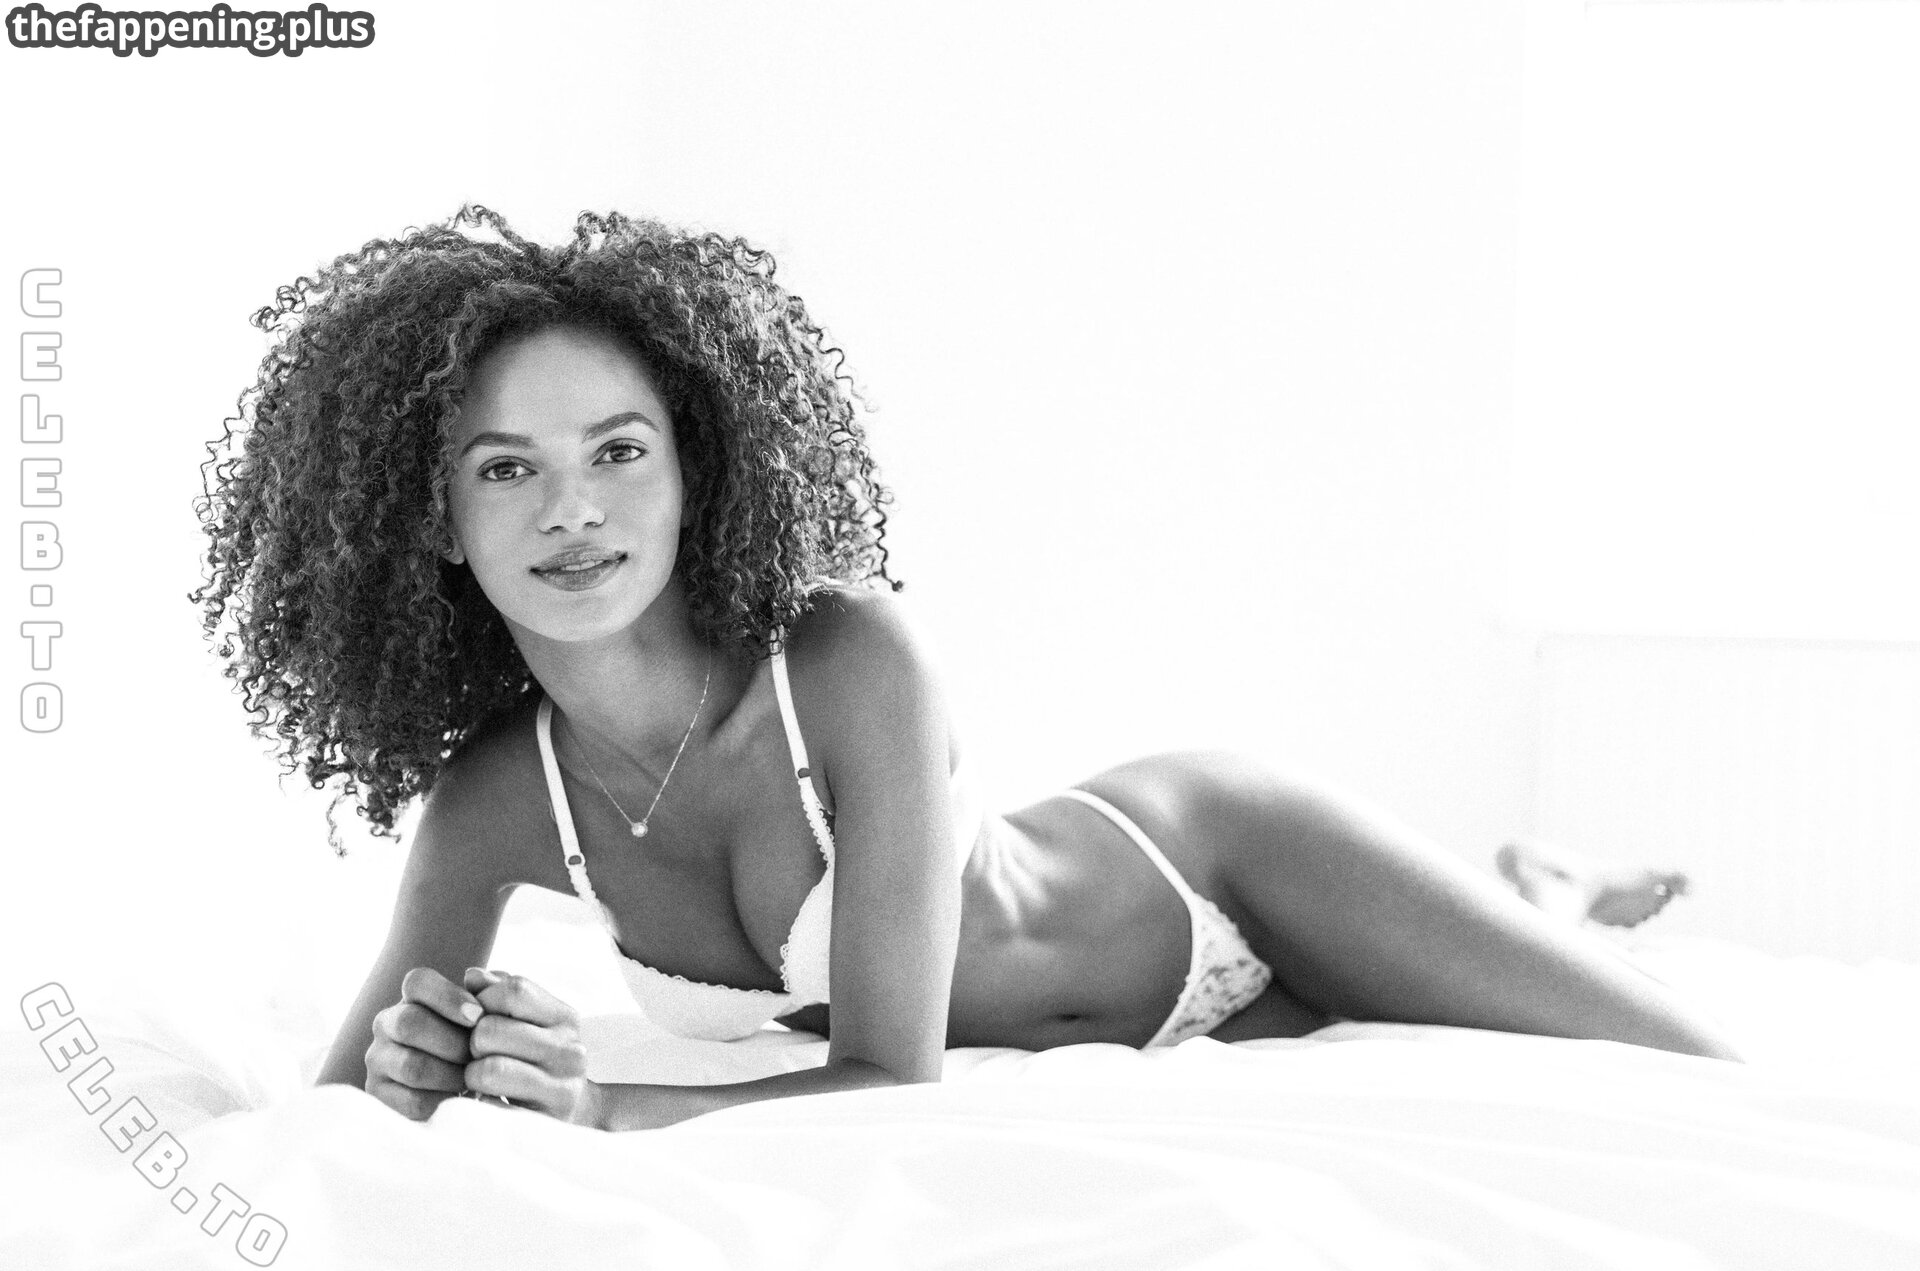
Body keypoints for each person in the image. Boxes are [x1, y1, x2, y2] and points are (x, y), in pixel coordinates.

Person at [195, 206, 1743, 1133]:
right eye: (507, 469)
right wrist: (422, 1063)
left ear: (693, 467)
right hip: (1179, 1036)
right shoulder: (494, 801)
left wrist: (598, 1105)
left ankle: (1542, 901)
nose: (575, 512)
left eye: (618, 451)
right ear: (436, 520)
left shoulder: (844, 658)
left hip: (1218, 878)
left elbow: (890, 1072)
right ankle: (1534, 892)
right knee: (1464, 1005)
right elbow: (348, 1099)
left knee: (1697, 1062)